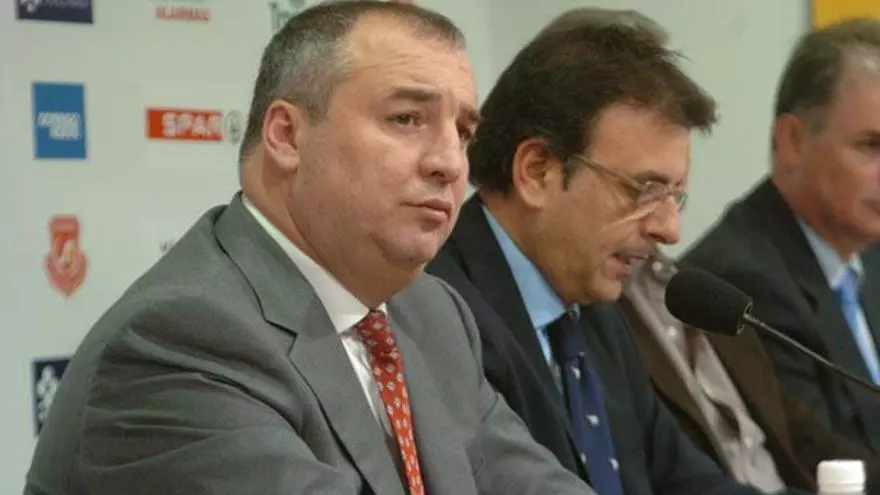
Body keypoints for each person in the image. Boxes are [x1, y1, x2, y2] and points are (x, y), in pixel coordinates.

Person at [23, 3, 594, 494]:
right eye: (406, 119)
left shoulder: (434, 314)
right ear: (287, 136)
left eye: (463, 132)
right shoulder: (183, 339)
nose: (449, 162)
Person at [426, 7, 783, 495]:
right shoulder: (441, 313)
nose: (670, 230)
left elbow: (686, 482)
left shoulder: (594, 313)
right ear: (537, 171)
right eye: (645, 190)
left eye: (675, 197)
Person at [683, 17, 880, 453]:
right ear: (793, 141)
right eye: (870, 146)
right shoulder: (742, 281)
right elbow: (821, 461)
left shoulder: (869, 252)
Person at [620, 248, 878, 492]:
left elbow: (799, 432)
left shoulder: (706, 292)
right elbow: (681, 478)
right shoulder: (608, 321)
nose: (672, 231)